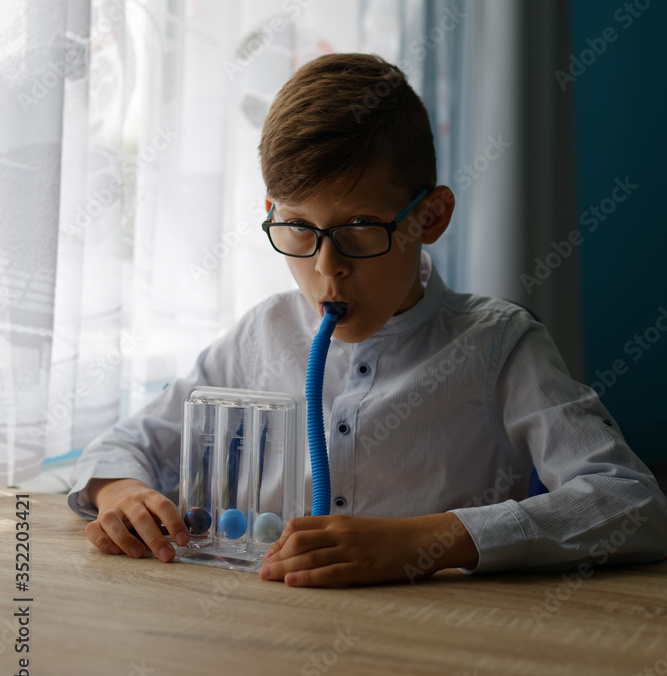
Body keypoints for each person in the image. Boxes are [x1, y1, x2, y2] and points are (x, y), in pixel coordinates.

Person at [67, 53, 667, 588]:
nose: (328, 267)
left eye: (360, 227)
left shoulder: (500, 345)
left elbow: (633, 503)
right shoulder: (262, 334)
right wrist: (122, 492)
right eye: (298, 227)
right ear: (271, 212)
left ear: (430, 217)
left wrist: (424, 542)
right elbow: (122, 446)